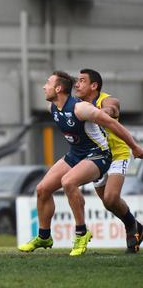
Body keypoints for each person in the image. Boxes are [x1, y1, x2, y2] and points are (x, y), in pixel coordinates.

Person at [19, 71, 143, 256]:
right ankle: (44, 236)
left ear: (59, 88)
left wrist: (135, 146)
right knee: (42, 189)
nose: (44, 87)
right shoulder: (52, 107)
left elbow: (112, 117)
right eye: (76, 81)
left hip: (101, 154)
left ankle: (81, 233)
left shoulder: (82, 108)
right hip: (77, 154)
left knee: (70, 182)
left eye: (48, 83)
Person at [74, 68, 143, 252]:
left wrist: (101, 112)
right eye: (76, 80)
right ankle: (136, 225)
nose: (77, 84)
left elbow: (112, 108)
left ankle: (131, 228)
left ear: (94, 85)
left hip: (117, 154)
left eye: (82, 80)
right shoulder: (77, 105)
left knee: (112, 197)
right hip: (96, 156)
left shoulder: (106, 99)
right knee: (107, 203)